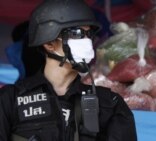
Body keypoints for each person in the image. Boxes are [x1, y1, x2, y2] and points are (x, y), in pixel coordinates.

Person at [0, 0, 137, 141]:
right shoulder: (9, 100)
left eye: (88, 34)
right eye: (77, 33)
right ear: (49, 43)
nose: (87, 41)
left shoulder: (110, 104)